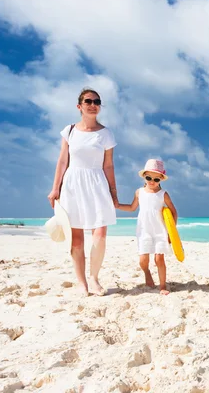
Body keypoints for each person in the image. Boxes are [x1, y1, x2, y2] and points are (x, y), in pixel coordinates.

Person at [47, 88, 119, 296]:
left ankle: (94, 279)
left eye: (97, 101)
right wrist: (55, 188)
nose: (93, 104)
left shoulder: (106, 134)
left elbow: (108, 166)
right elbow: (62, 161)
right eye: (88, 101)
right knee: (76, 239)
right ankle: (81, 284)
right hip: (72, 184)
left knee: (100, 235)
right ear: (79, 106)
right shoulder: (69, 131)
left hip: (97, 183)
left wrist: (113, 192)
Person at [118, 159, 178, 295]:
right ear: (144, 176)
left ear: (161, 179)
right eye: (149, 177)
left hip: (160, 230)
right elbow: (132, 208)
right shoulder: (139, 192)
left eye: (156, 179)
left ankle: (162, 285)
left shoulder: (163, 194)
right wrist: (118, 205)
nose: (152, 181)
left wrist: (171, 233)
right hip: (144, 230)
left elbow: (173, 212)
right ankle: (147, 273)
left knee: (159, 259)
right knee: (143, 260)